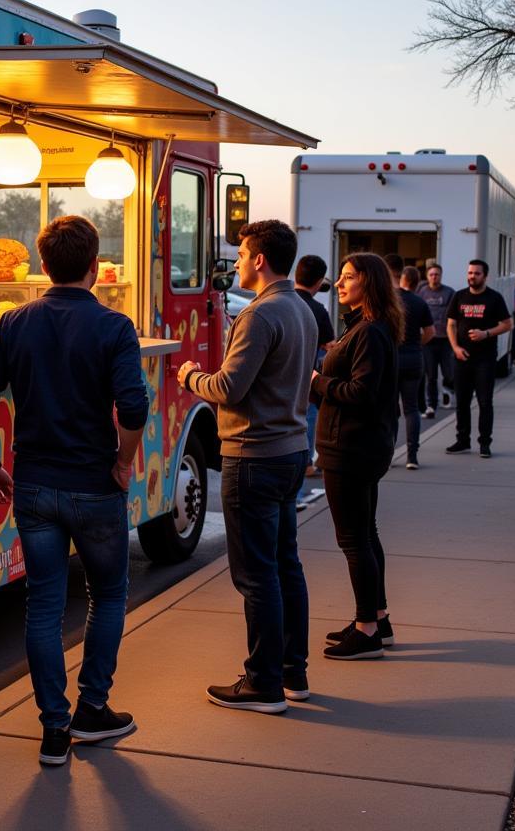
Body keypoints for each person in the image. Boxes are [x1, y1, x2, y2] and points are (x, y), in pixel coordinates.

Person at [0, 215, 148, 766]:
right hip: (94, 485)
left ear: (43, 266)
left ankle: (53, 730)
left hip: (35, 487)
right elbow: (133, 408)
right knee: (107, 595)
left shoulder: (14, 321)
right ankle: (93, 709)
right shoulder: (115, 328)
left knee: (43, 606)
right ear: (95, 267)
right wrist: (122, 462)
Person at [178, 220, 316, 713]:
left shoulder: (259, 315)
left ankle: (261, 683)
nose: (234, 262)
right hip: (291, 450)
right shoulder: (301, 308)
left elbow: (230, 388)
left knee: (256, 576)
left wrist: (191, 375)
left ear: (259, 259)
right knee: (285, 565)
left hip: (254, 455)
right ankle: (292, 672)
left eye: (239, 254)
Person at [311, 253, 401, 660]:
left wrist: (318, 381)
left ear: (370, 284)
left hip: (350, 447)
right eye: (341, 277)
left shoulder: (368, 333)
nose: (340, 283)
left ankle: (366, 629)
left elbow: (361, 393)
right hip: (359, 445)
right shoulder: (366, 328)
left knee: (354, 539)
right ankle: (377, 619)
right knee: (367, 533)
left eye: (349, 277)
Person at [445, 259, 513, 459]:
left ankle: (485, 443)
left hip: (485, 358)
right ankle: (462, 440)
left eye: (476, 273)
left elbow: (507, 324)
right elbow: (451, 325)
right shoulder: (459, 297)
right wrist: (455, 347)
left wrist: (486, 333)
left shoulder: (494, 298)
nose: (472, 276)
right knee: (462, 402)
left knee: (485, 402)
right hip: (462, 357)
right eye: (470, 273)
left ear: (485, 276)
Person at [293, 254, 335, 508]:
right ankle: (296, 496)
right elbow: (329, 345)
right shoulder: (317, 310)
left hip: (275, 383)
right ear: (319, 282)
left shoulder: (277, 302)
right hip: (307, 384)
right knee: (303, 435)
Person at [384, 256, 433, 471]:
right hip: (414, 358)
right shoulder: (419, 301)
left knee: (390, 409)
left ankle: (389, 453)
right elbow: (430, 332)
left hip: (391, 359)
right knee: (412, 408)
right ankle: (412, 456)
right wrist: (415, 344)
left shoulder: (386, 301)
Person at [417, 263, 456, 416]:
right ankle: (431, 404)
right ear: (427, 276)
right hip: (429, 341)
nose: (434, 277)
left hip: (445, 339)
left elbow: (454, 316)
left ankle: (448, 392)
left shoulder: (449, 293)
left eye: (437, 274)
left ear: (441, 275)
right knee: (431, 375)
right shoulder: (422, 293)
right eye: (431, 274)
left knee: (448, 372)